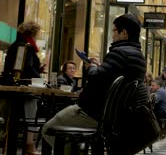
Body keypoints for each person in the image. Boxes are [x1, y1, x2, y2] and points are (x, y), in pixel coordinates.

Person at [42, 13, 147, 147]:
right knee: (72, 140)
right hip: (115, 117)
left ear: (124, 33)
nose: (113, 35)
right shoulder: (138, 57)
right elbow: (110, 77)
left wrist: (90, 67)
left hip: (94, 114)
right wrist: (100, 67)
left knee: (48, 129)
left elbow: (96, 79)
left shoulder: (119, 53)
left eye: (114, 31)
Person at [4, 21, 46, 155]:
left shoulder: (18, 44)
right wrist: (39, 76)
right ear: (33, 33)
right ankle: (29, 143)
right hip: (23, 86)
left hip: (15, 84)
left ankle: (25, 143)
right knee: (33, 108)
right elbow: (25, 67)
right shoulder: (25, 45)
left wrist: (37, 69)